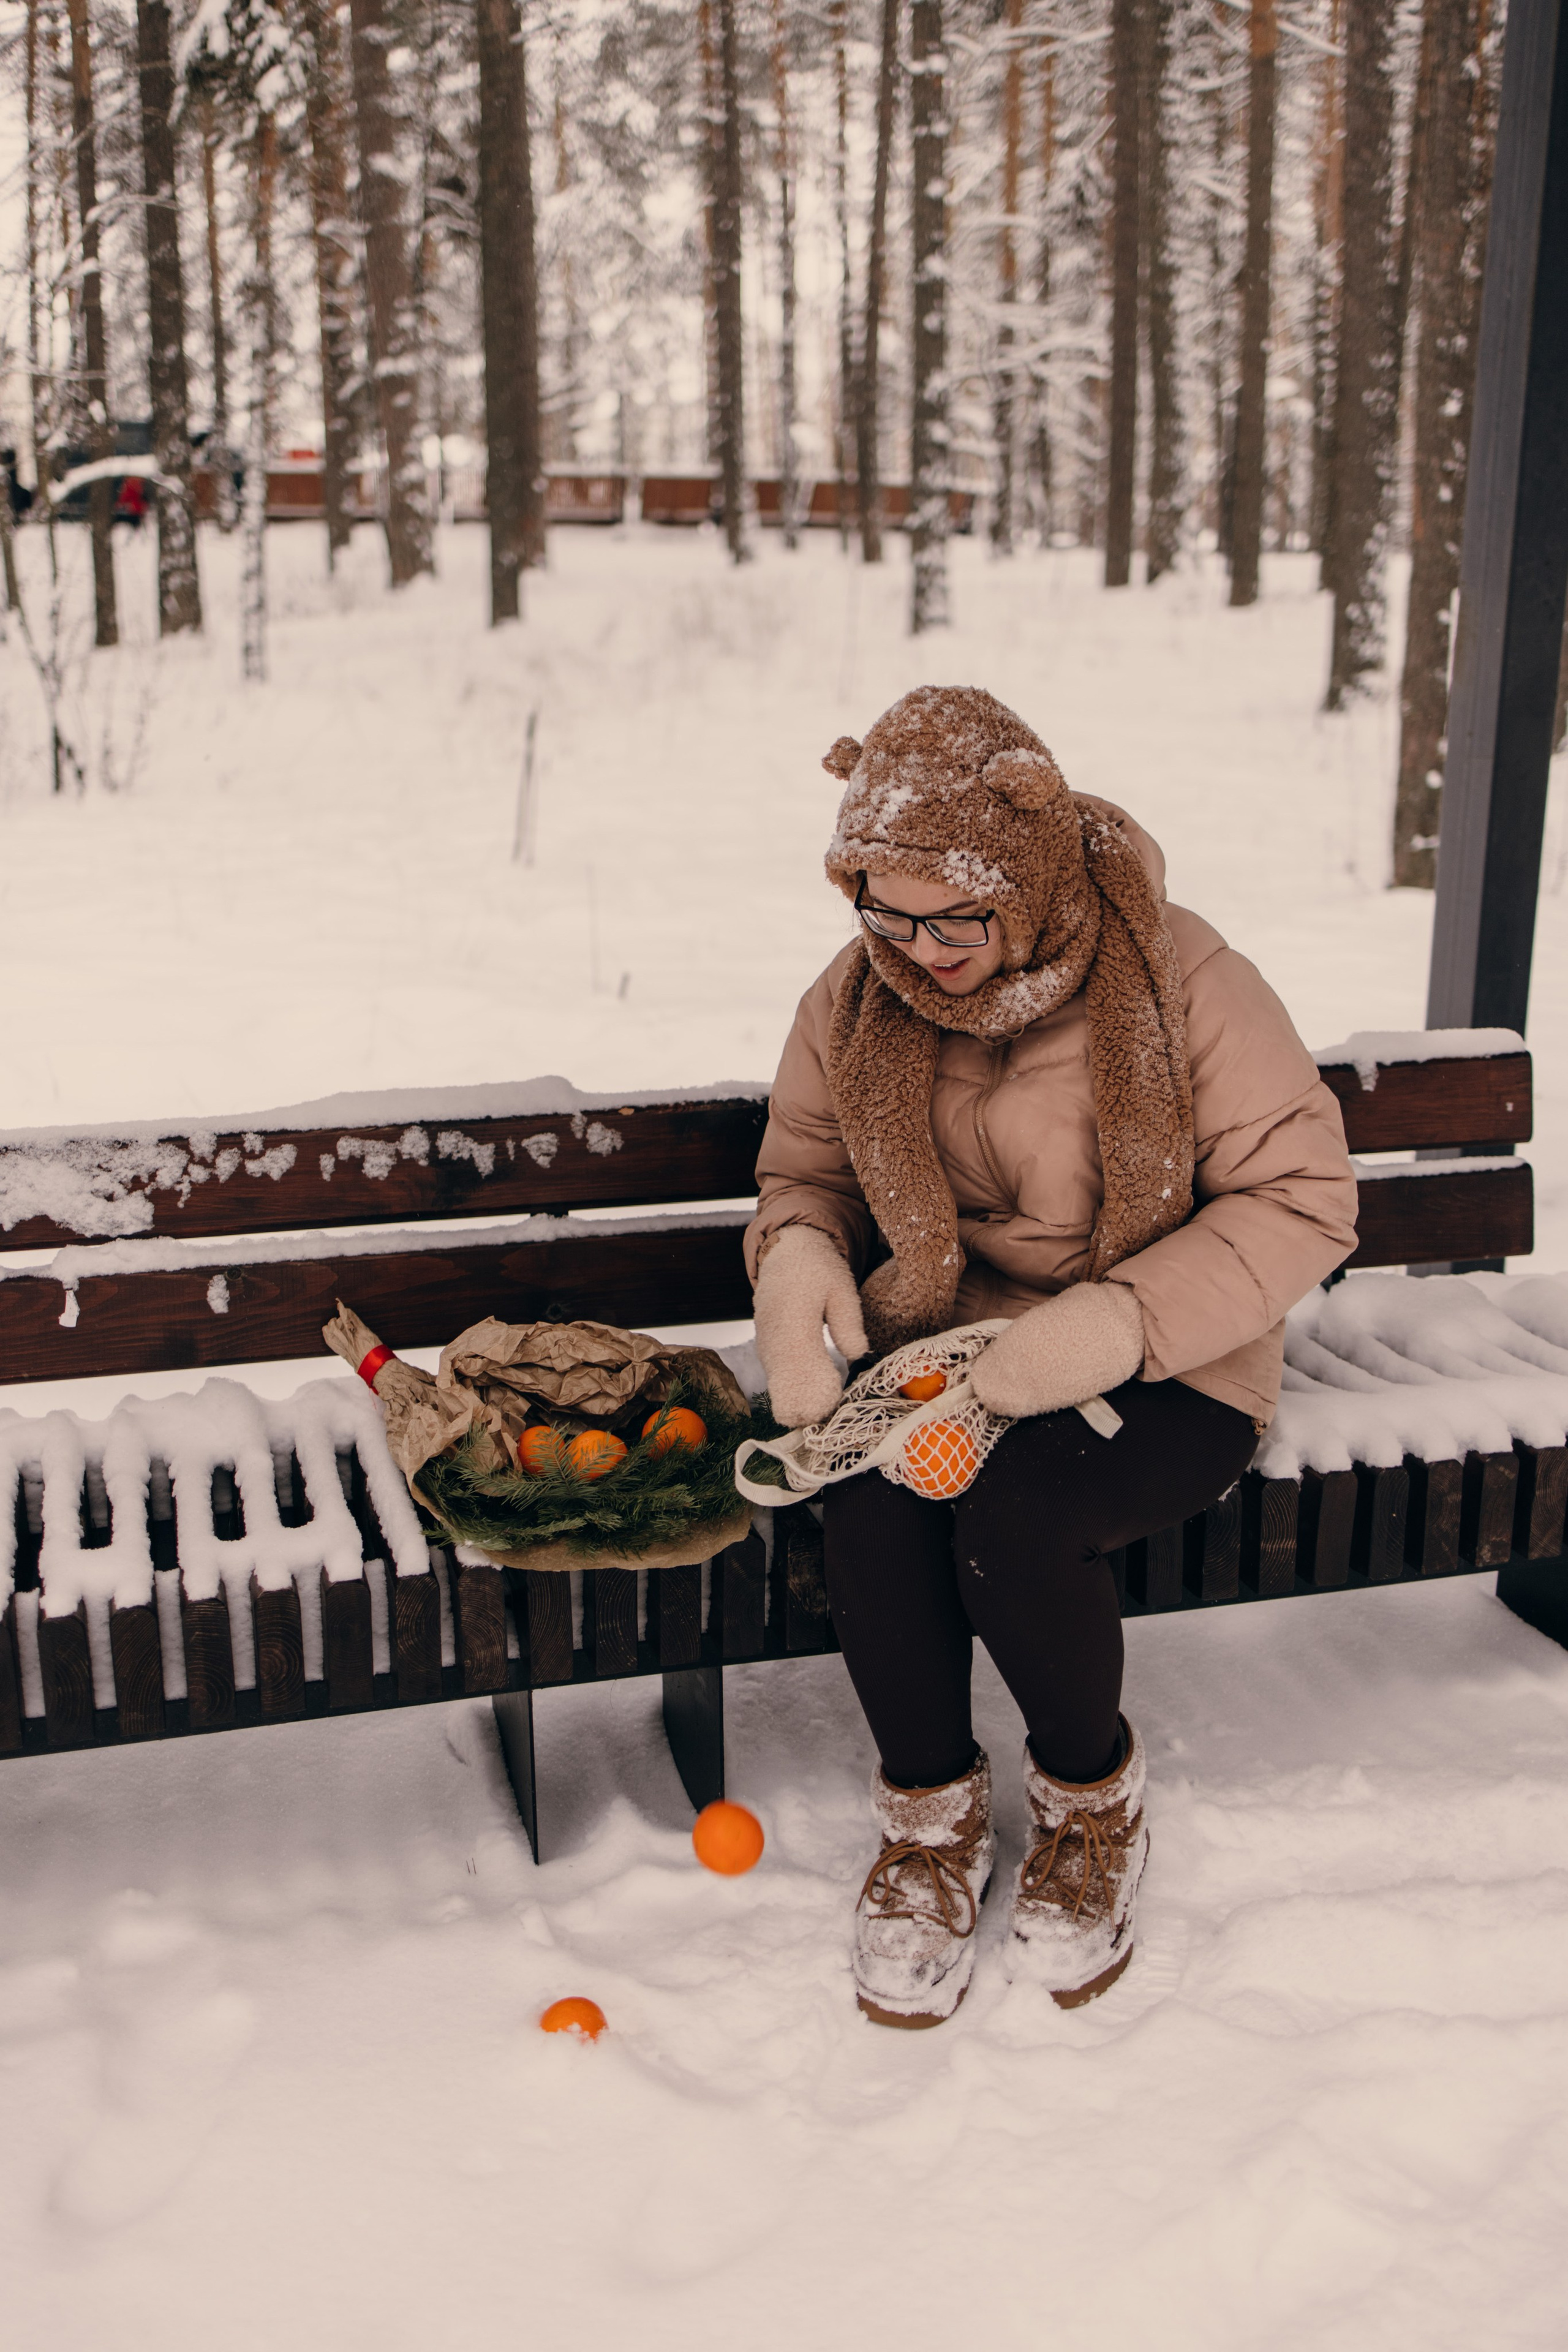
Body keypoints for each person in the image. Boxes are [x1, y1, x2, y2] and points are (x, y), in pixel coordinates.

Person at [744, 687, 1358, 2029]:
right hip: (941, 1354)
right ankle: (929, 1823)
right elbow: (806, 1177)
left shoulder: (1182, 976)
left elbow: (1303, 1197)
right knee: (868, 1501)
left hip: (1166, 1353)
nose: (921, 949)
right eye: (883, 911)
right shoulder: (853, 999)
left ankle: (1089, 1806)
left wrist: (1122, 1321)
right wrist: (797, 1260)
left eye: (953, 915)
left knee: (1014, 1520)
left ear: (1019, 873)